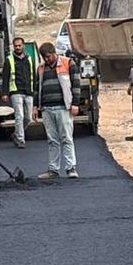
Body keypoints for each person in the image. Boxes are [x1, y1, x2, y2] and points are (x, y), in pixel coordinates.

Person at [34, 42, 81, 179]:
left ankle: (70, 168)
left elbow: (76, 84)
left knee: (66, 138)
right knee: (52, 140)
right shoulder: (41, 68)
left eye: (48, 57)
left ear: (54, 53)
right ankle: (53, 170)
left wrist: (75, 104)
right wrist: (36, 106)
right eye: (44, 58)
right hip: (47, 108)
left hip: (63, 107)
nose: (47, 60)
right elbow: (37, 88)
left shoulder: (68, 63)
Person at [2, 37, 35, 149]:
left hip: (28, 91)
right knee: (19, 116)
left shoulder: (29, 59)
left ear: (23, 45)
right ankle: (21, 139)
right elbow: (5, 78)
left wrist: (33, 90)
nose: (17, 48)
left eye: (19, 45)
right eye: (15, 46)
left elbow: (33, 75)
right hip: (16, 91)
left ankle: (16, 134)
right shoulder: (9, 60)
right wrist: (5, 93)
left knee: (28, 118)